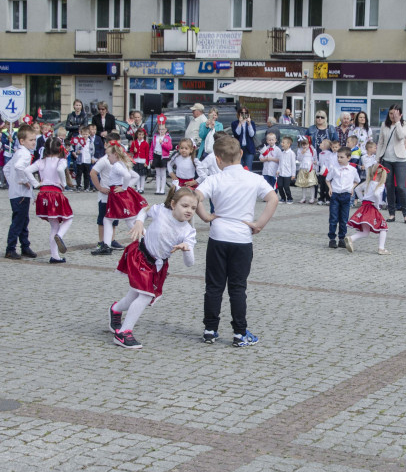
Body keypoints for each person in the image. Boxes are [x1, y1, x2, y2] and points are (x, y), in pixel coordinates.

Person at [195, 135, 278, 347]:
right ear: (241, 154)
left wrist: (205, 217)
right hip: (241, 237)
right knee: (238, 287)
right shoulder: (254, 178)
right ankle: (240, 333)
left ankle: (210, 329)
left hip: (219, 236)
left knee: (214, 286)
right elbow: (273, 199)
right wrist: (259, 224)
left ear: (217, 159)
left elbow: (195, 196)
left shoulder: (214, 178)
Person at [109, 185, 199, 349]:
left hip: (157, 266)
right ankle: (123, 333)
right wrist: (138, 222)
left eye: (193, 208)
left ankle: (115, 309)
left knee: (132, 298)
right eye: (184, 206)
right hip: (140, 256)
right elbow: (144, 210)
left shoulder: (188, 231)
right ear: (173, 204)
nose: (189, 211)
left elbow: (190, 263)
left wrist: (186, 249)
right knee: (145, 296)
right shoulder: (161, 211)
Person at [23, 136, 73, 264]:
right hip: (55, 193)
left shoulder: (41, 161)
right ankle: (60, 236)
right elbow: (60, 170)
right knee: (69, 218)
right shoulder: (61, 161)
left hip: (43, 193)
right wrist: (63, 183)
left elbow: (27, 170)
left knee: (54, 225)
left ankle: (55, 256)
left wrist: (36, 184)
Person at [102, 140, 148, 250]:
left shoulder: (117, 166)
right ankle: (146, 240)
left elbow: (127, 176)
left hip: (118, 195)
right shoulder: (122, 164)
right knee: (125, 220)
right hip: (120, 194)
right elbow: (135, 176)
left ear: (115, 155)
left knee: (112, 220)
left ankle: (107, 245)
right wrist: (126, 187)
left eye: (108, 155)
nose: (107, 158)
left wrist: (124, 188)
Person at [4, 123, 38, 260]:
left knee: (23, 220)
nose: (34, 143)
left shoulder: (18, 152)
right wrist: (24, 181)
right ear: (22, 141)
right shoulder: (24, 153)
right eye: (31, 140)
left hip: (16, 192)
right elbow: (18, 167)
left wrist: (11, 182)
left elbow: (7, 169)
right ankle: (10, 248)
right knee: (18, 221)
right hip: (21, 193)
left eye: (35, 139)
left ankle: (25, 245)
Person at [375, 104, 406, 222]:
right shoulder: (384, 125)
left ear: (400, 114)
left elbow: (401, 136)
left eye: (395, 114)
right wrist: (378, 158)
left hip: (400, 159)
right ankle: (391, 213)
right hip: (387, 159)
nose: (392, 116)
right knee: (389, 186)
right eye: (390, 114)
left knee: (400, 187)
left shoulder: (404, 124)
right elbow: (380, 142)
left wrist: (397, 122)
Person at [346, 165, 389, 255]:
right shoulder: (380, 185)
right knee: (383, 227)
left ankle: (351, 238)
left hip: (364, 207)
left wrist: (362, 199)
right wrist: (377, 205)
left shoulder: (368, 182)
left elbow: (357, 189)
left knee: (365, 232)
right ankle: (381, 248)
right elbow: (377, 194)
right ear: (381, 176)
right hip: (372, 208)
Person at [326, 146, 358, 249]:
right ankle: (332, 239)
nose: (339, 159)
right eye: (338, 157)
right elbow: (327, 179)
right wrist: (330, 188)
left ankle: (341, 238)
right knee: (334, 218)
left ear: (348, 158)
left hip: (346, 195)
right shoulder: (334, 168)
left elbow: (357, 181)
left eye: (341, 157)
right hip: (335, 194)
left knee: (344, 219)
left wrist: (352, 188)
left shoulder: (352, 170)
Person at [151, 121, 173, 194]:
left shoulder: (167, 137)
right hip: (156, 155)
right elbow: (151, 148)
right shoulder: (155, 137)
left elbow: (169, 147)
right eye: (160, 129)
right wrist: (151, 158)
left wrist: (162, 143)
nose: (161, 131)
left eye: (163, 129)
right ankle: (157, 189)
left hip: (163, 156)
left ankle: (162, 189)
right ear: (158, 130)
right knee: (157, 173)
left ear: (166, 129)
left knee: (163, 173)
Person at [128, 127, 151, 193]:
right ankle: (137, 188)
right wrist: (134, 151)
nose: (141, 136)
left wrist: (146, 162)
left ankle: (142, 187)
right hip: (136, 160)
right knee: (137, 175)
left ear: (144, 135)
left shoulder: (146, 144)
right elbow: (131, 151)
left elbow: (147, 154)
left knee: (142, 176)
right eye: (139, 134)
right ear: (137, 135)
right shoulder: (134, 142)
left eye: (142, 135)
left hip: (142, 160)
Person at [294, 136, 317, 203]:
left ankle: (312, 198)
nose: (304, 146)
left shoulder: (312, 150)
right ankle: (303, 197)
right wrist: (302, 153)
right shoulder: (300, 150)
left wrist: (315, 163)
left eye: (306, 144)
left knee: (311, 183)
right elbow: (299, 159)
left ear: (309, 143)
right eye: (303, 144)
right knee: (303, 184)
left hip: (310, 168)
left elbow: (315, 158)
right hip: (303, 168)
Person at [276, 136, 296, 203]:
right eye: (282, 142)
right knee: (280, 186)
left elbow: (293, 165)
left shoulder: (291, 154)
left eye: (283, 142)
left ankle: (290, 198)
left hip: (288, 174)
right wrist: (278, 170)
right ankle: (283, 198)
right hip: (281, 173)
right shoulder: (282, 153)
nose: (282, 144)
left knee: (286, 187)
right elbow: (280, 163)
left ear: (288, 144)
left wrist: (293, 174)